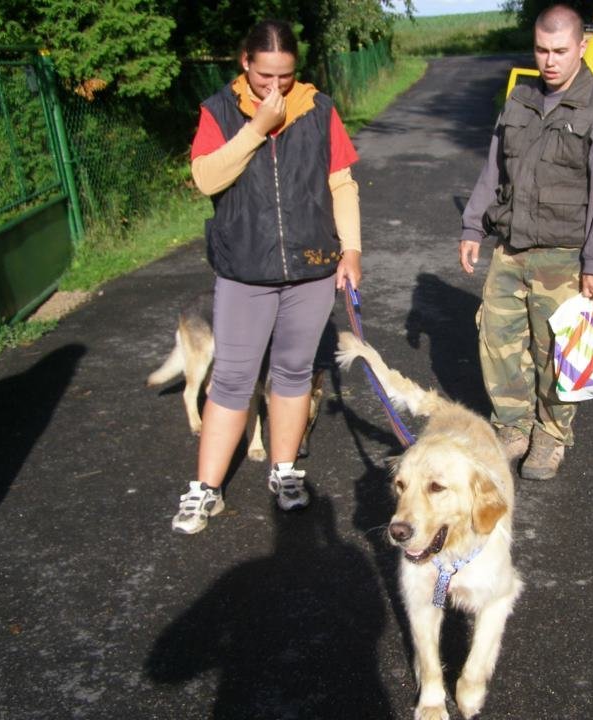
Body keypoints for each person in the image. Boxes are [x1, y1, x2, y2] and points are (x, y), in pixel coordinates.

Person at [171, 19, 362, 533]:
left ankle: (284, 473)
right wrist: (255, 129)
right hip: (244, 270)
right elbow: (207, 176)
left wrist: (352, 250)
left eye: (286, 77)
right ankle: (205, 490)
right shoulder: (218, 111)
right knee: (232, 378)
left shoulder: (319, 110)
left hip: (311, 267)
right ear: (245, 65)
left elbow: (341, 183)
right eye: (264, 78)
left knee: (294, 373)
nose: (276, 88)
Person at [459, 4, 593, 481]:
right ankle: (512, 428)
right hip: (511, 248)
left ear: (582, 47)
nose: (549, 60)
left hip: (565, 256)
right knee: (497, 342)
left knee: (557, 352)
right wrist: (473, 226)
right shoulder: (519, 100)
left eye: (559, 50)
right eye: (541, 49)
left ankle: (551, 436)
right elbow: (493, 169)